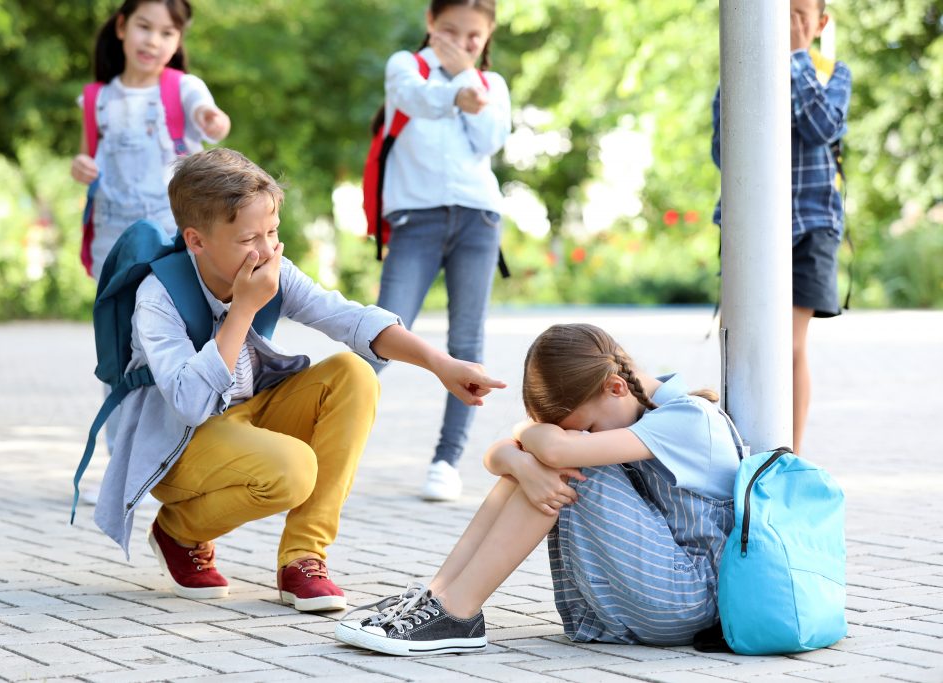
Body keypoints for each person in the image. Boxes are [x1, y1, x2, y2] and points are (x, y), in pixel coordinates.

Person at [93, 148, 506, 613]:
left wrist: (441, 364)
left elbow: (348, 318)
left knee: (354, 373)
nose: (267, 250)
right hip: (180, 442)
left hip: (247, 415)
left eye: (272, 232)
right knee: (292, 469)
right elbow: (190, 403)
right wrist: (244, 307)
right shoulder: (158, 297)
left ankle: (303, 557)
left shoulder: (272, 268)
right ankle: (178, 531)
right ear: (197, 241)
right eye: (250, 238)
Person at [334, 323, 741, 655]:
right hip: (654, 594)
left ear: (616, 387)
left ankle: (456, 613)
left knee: (562, 466)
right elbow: (498, 455)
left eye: (589, 427)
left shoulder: (687, 419)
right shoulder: (628, 408)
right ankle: (438, 597)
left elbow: (553, 447)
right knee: (540, 466)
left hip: (690, 599)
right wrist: (519, 461)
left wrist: (533, 449)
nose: (586, 435)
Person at [373, 0, 512, 502]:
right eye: (450, 31)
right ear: (431, 24)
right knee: (382, 329)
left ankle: (446, 461)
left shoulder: (493, 86)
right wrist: (457, 81)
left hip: (478, 218)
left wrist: (466, 78)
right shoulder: (405, 67)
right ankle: (327, 439)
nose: (460, 43)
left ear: (488, 34)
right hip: (416, 219)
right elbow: (419, 101)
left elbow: (490, 138)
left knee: (467, 340)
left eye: (473, 37)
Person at [711, 0, 851, 452]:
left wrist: (794, 57)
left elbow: (820, 128)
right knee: (748, 343)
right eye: (782, 11)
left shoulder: (834, 73)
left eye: (800, 13)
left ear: (820, 22)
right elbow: (723, 151)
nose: (790, 21)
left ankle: (789, 454)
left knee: (789, 343)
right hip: (750, 229)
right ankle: (746, 447)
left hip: (812, 223)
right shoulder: (741, 67)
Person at [71, 0, 231, 280]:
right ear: (122, 26)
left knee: (165, 313)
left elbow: (210, 117)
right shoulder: (97, 98)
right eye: (144, 27)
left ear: (179, 39)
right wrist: (80, 166)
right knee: (118, 317)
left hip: (172, 231)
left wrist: (213, 120)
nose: (153, 41)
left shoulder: (184, 87)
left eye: (167, 33)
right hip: (111, 233)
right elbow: (87, 158)